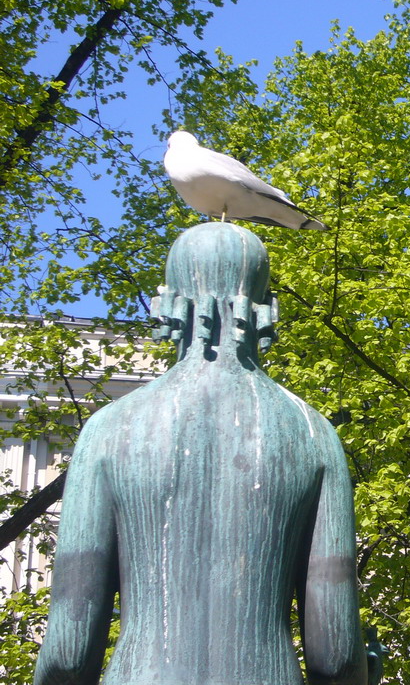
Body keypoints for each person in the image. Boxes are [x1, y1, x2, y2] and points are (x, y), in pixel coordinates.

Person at [35, 223, 382, 685]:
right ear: (266, 311)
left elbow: (67, 653)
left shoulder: (107, 430)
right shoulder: (314, 433)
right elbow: (335, 657)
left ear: (166, 307)